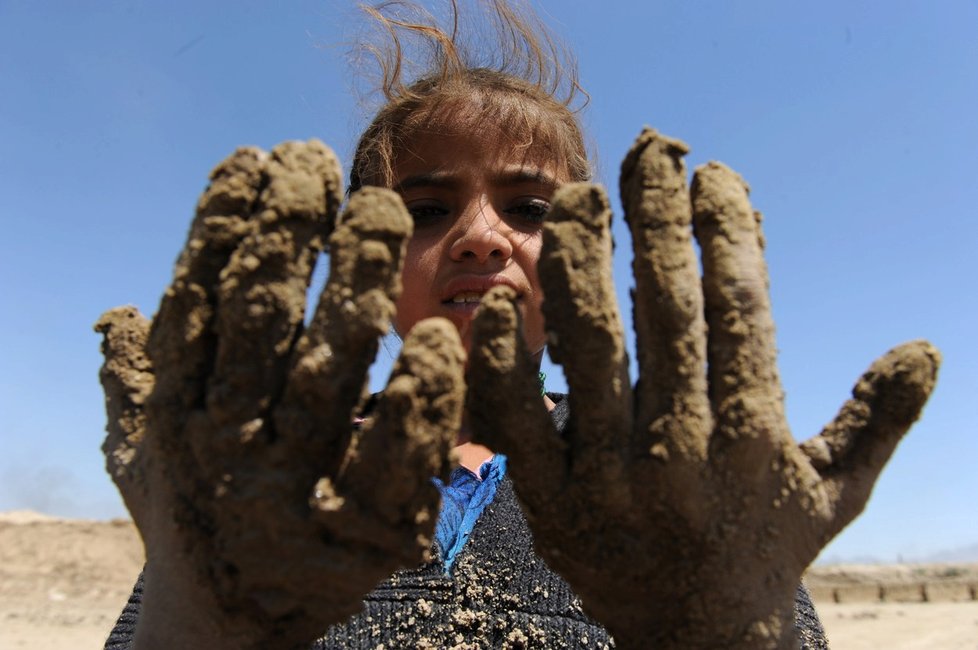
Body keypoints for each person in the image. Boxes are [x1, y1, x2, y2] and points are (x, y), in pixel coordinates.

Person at [97, 1, 939, 648]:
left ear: (584, 254)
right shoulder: (265, 474)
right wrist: (189, 621)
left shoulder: (661, 478)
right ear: (367, 255)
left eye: (528, 207)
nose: (479, 236)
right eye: (426, 209)